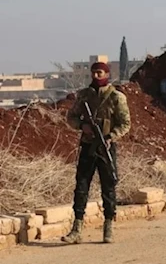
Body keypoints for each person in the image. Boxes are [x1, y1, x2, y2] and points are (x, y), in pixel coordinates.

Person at [62, 62, 131, 244]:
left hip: (106, 146)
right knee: (81, 186)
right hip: (87, 146)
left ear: (107, 74)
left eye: (99, 73)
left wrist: (110, 137)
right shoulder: (84, 96)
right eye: (93, 73)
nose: (96, 76)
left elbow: (125, 124)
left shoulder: (116, 97)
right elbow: (71, 117)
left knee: (108, 186)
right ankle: (77, 228)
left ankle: (108, 226)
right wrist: (82, 126)